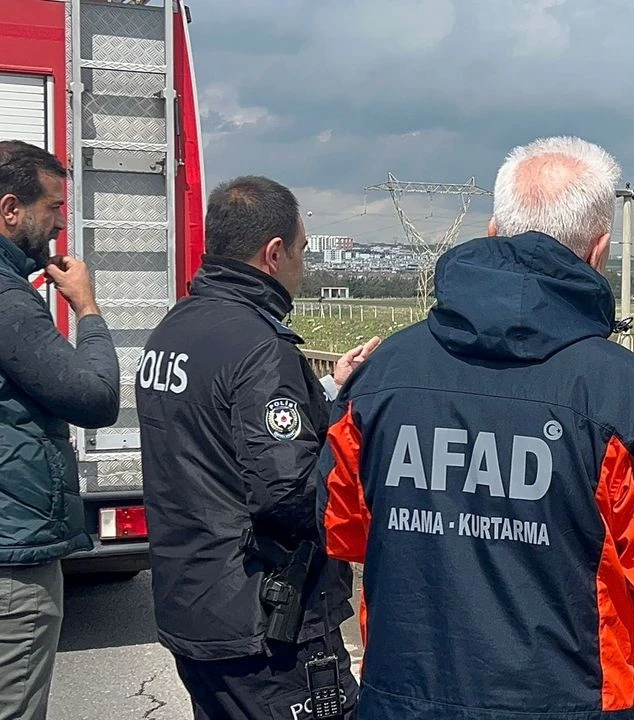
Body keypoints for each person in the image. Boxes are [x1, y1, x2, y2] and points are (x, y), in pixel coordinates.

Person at [318, 136, 634, 720]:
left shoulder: (384, 374)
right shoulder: (616, 388)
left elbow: (343, 531)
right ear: (600, 251)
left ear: (491, 232)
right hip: (568, 701)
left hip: (401, 695)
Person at [136, 175, 380, 720]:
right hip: (265, 625)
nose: (303, 265)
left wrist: (324, 390)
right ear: (274, 254)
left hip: (193, 606)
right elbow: (289, 494)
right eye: (301, 250)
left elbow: (216, 439)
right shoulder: (262, 348)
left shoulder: (175, 330)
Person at [0, 140, 120, 720]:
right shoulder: (8, 301)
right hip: (12, 555)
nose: (59, 224)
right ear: (10, 210)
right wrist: (88, 310)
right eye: (51, 208)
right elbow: (94, 398)